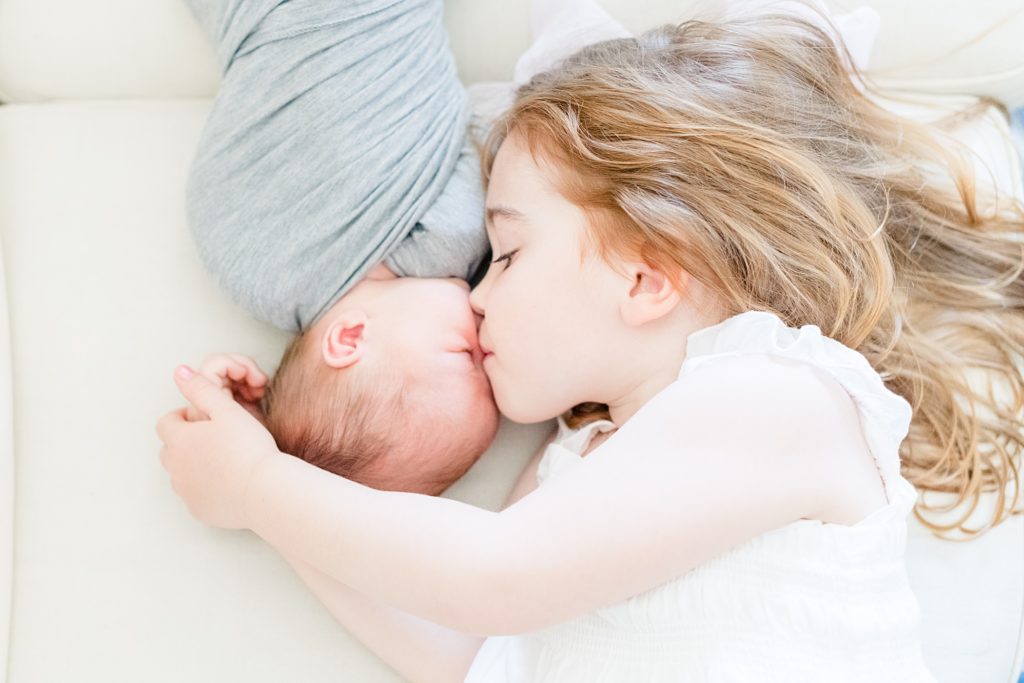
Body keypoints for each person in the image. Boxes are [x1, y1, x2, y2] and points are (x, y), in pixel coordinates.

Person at [157, 7, 1024, 682]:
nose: (475, 294)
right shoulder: (577, 457)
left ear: (647, 280)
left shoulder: (774, 394)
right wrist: (277, 477)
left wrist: (260, 489)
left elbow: (494, 579)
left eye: (508, 254)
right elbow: (479, 650)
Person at [181, 0, 501, 494]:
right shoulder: (246, 275)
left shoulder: (448, 245)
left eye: (467, 356)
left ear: (349, 338)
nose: (489, 340)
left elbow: (499, 124)